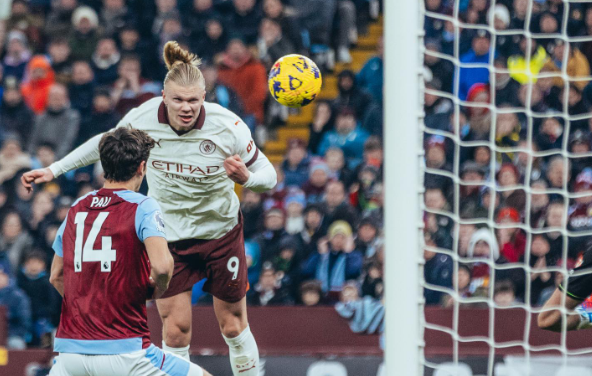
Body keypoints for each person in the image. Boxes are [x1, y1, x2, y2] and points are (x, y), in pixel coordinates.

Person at [24, 41, 276, 376]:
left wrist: (247, 178)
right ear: (163, 96)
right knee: (174, 330)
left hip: (220, 231)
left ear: (205, 96)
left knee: (232, 325)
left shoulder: (227, 125)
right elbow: (103, 144)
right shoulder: (143, 118)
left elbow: (268, 175)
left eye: (193, 100)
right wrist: (54, 170)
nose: (186, 107)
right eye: (178, 100)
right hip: (168, 235)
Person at [48, 127, 210, 376]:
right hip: (125, 351)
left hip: (70, 355)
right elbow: (163, 267)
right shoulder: (143, 206)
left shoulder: (76, 208)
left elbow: (56, 276)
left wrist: (87, 308)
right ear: (141, 167)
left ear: (103, 166)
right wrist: (158, 289)